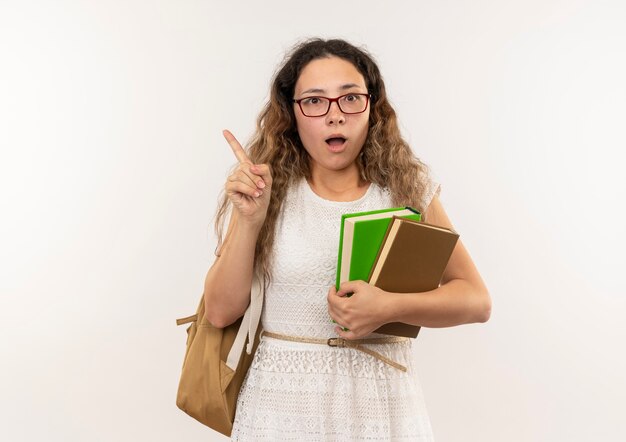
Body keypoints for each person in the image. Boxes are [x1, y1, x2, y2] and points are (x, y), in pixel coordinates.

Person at [203, 38, 491, 441]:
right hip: (281, 408)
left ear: (373, 108)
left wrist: (388, 307)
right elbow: (219, 313)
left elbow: (476, 300)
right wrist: (250, 218)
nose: (334, 116)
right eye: (315, 101)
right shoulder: (267, 190)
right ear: (292, 113)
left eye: (350, 98)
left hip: (382, 407)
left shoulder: (407, 189)